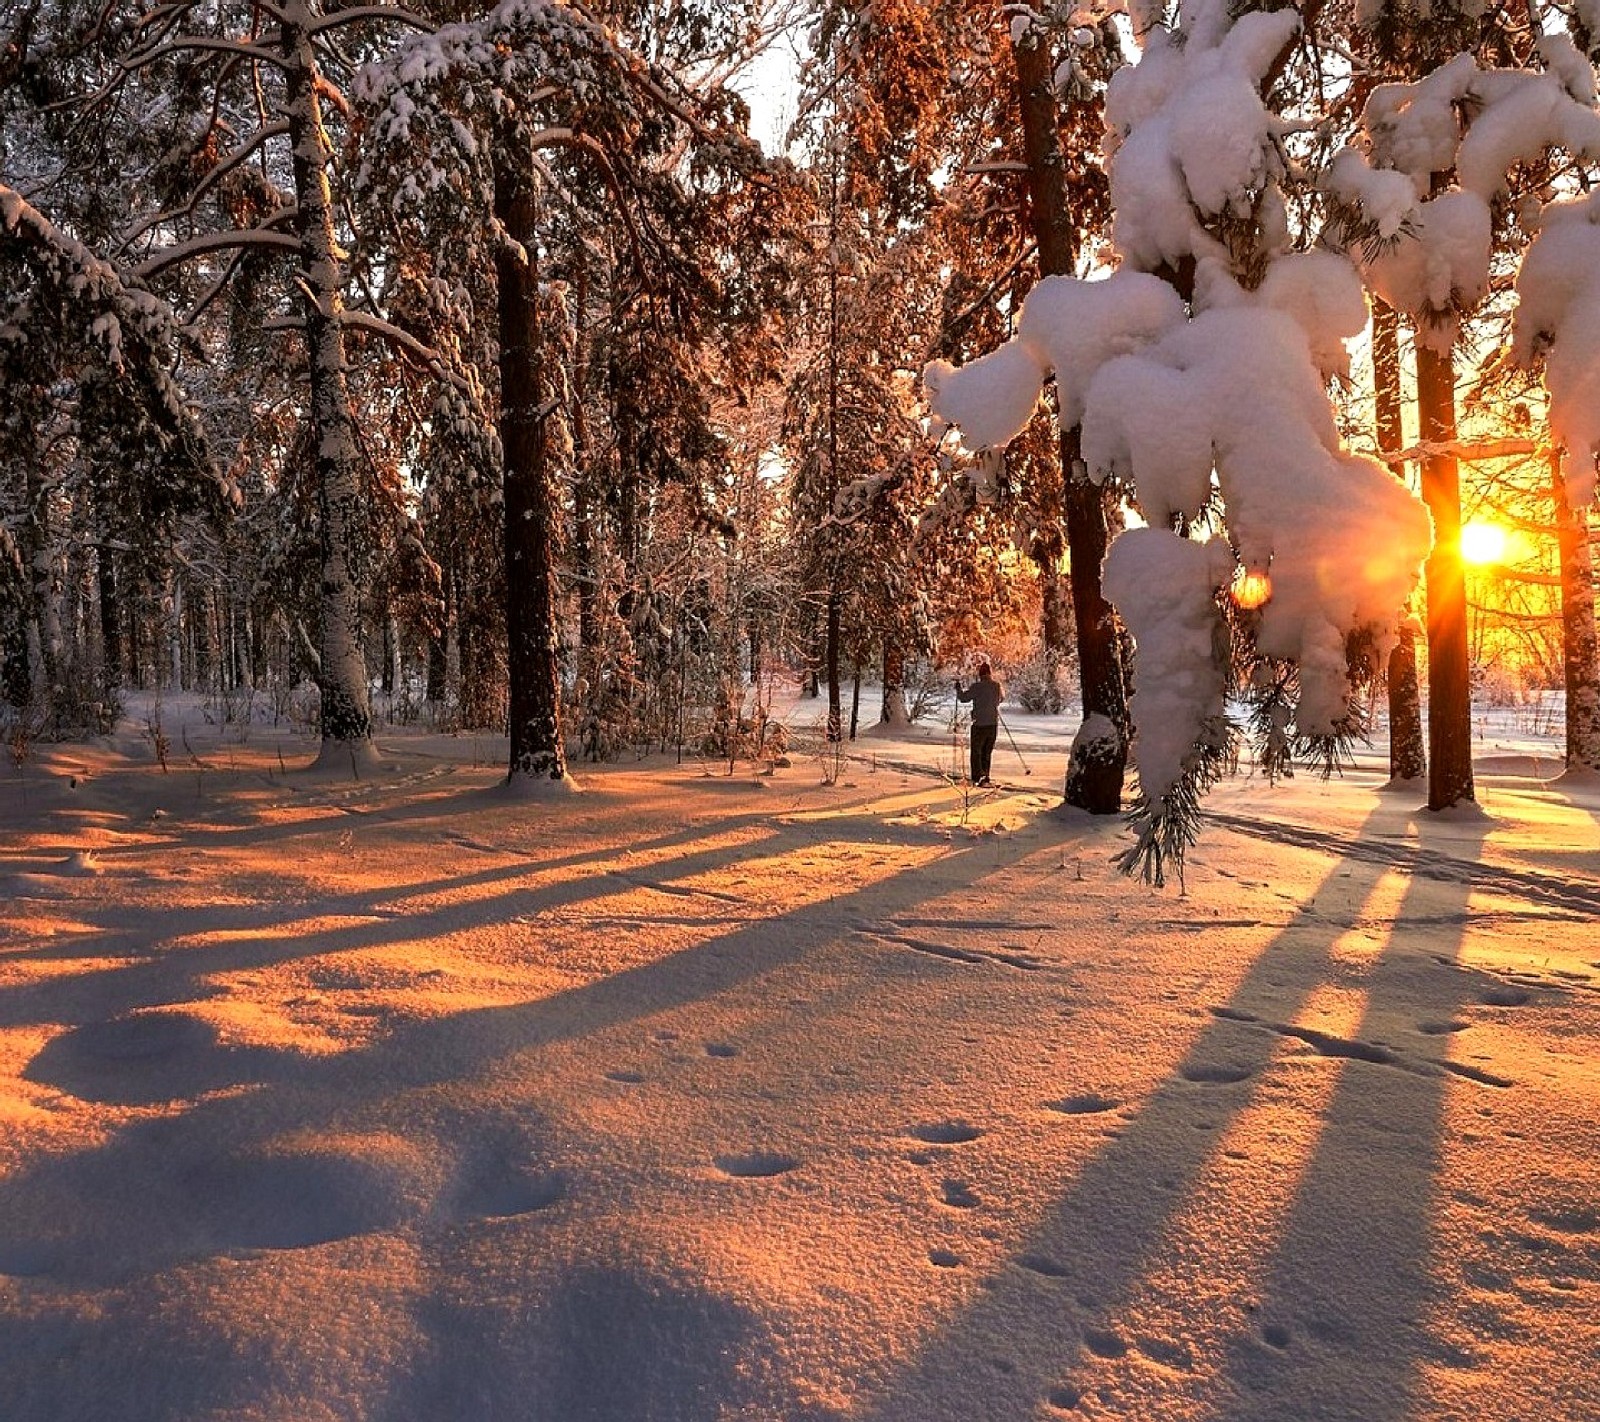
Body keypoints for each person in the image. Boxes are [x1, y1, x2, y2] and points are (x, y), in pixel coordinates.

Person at [954, 661, 1003, 785]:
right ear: (990, 673)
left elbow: (964, 698)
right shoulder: (996, 686)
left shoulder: (977, 687)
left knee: (976, 751)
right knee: (987, 751)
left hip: (979, 724)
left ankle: (977, 777)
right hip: (992, 724)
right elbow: (1001, 699)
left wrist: (958, 688)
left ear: (980, 674)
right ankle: (986, 775)